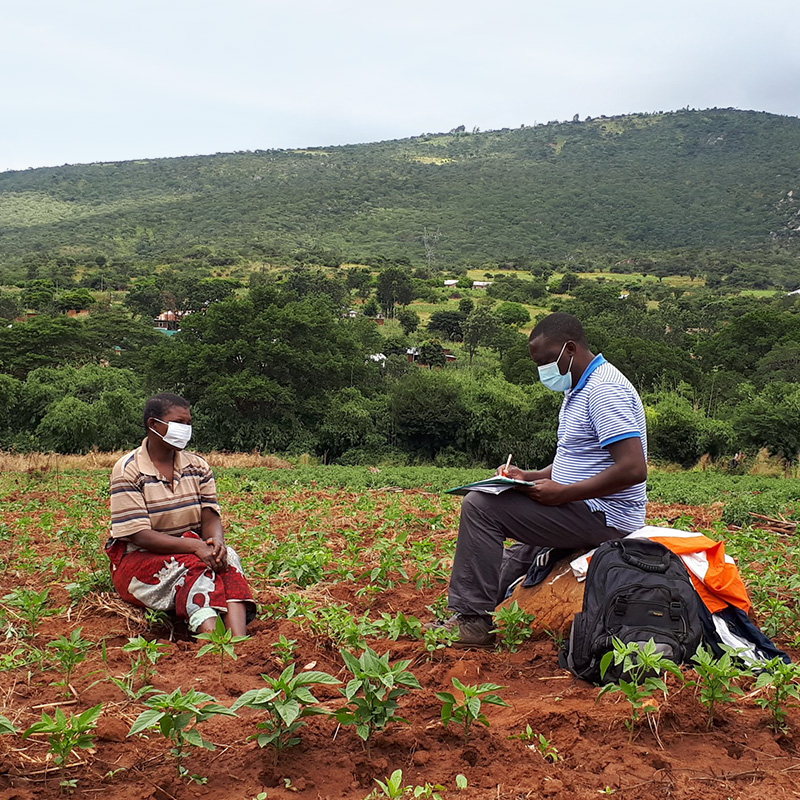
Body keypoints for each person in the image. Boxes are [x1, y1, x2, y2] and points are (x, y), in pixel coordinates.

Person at [435, 312, 648, 648]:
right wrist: (528, 477)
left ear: (570, 349)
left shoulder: (604, 391)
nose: (543, 371)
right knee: (517, 556)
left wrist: (564, 494)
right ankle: (476, 612)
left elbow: (634, 469)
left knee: (480, 507)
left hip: (605, 517)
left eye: (548, 361)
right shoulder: (580, 387)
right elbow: (578, 461)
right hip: (583, 506)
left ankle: (474, 623)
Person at [107, 392, 255, 635]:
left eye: (188, 423)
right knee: (193, 566)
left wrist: (215, 543)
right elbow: (139, 535)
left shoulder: (198, 466)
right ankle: (212, 640)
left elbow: (210, 516)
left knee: (227, 558)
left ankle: (238, 640)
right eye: (179, 423)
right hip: (139, 560)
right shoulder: (129, 470)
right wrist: (195, 547)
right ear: (154, 425)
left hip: (189, 548)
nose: (186, 429)